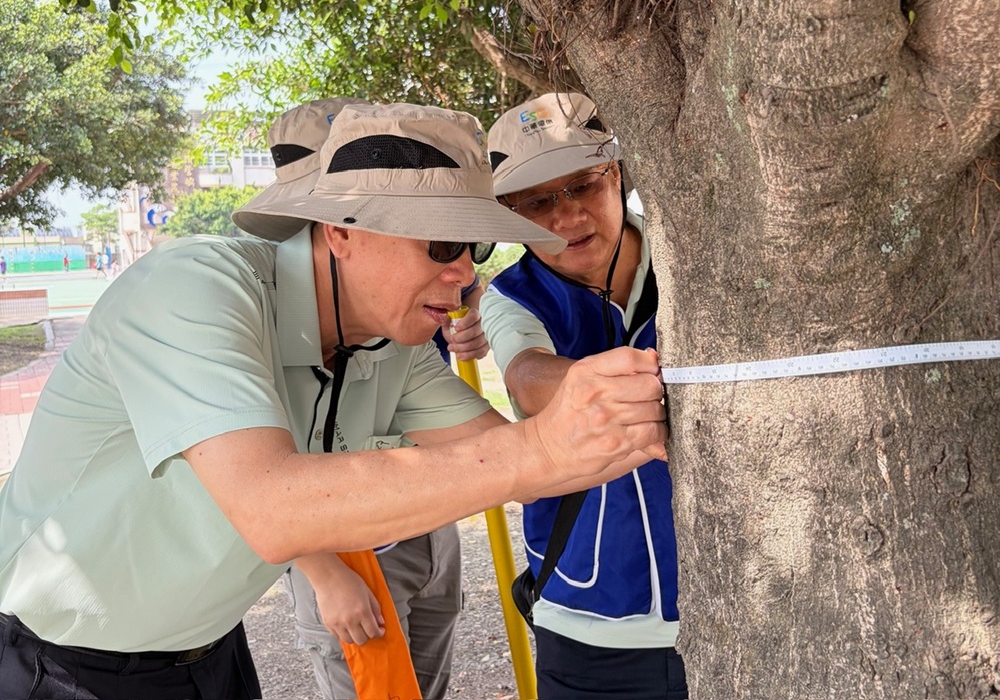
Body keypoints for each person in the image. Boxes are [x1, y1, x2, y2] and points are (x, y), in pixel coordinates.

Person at [0, 100, 667, 700]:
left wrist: (636, 421)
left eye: (474, 245)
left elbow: (502, 461)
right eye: (441, 243)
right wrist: (545, 443)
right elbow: (275, 511)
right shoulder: (192, 290)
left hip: (209, 651)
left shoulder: (391, 346)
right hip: (54, 664)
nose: (464, 271)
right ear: (343, 231)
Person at [265, 100, 483, 700]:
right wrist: (324, 572)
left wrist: (454, 303)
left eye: (464, 244)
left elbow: (480, 436)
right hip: (345, 543)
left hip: (424, 517)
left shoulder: (395, 314)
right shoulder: (253, 314)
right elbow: (260, 484)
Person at [481, 92, 687, 699]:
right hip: (588, 627)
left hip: (731, 600)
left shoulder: (692, 261)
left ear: (618, 175)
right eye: (538, 201)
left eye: (583, 186)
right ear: (507, 213)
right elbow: (525, 375)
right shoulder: (511, 296)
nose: (567, 217)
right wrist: (621, 389)